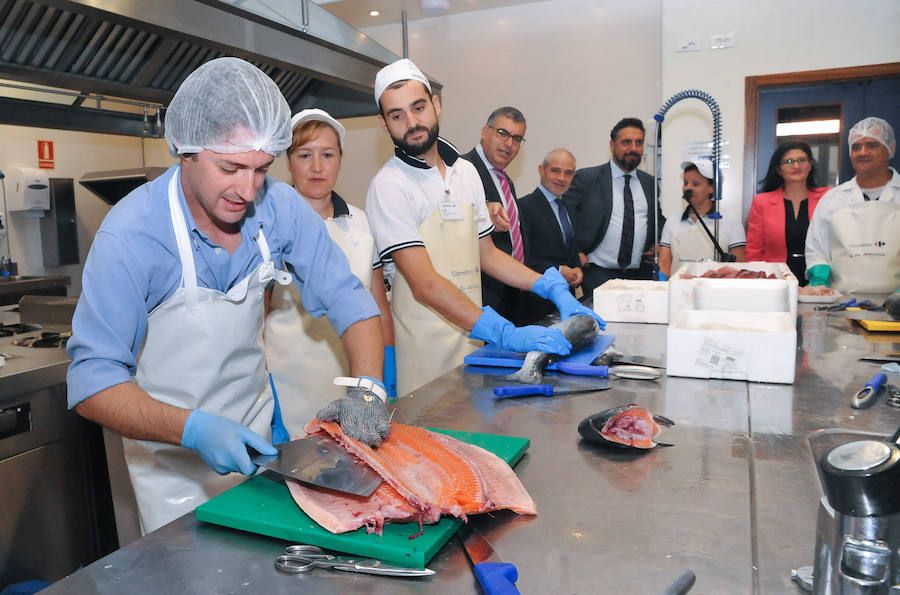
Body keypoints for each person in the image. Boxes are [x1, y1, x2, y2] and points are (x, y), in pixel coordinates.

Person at [65, 58, 388, 533]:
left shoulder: (278, 207)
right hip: (168, 466)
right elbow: (92, 384)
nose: (247, 189)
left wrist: (369, 387)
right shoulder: (132, 236)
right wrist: (195, 429)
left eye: (261, 168)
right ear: (184, 149)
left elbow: (349, 299)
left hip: (260, 453)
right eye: (230, 167)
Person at [365, 59, 605, 396]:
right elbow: (424, 284)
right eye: (397, 115)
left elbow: (487, 255)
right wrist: (504, 331)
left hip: (474, 343)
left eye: (418, 107)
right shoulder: (389, 185)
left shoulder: (466, 173)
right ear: (383, 123)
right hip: (424, 353)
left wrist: (548, 286)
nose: (412, 122)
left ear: (436, 104)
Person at [264, 109, 396, 435]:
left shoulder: (361, 222)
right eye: (305, 155)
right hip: (288, 380)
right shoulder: (269, 225)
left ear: (340, 159)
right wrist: (262, 388)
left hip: (355, 372)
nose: (317, 167)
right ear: (289, 161)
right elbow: (257, 317)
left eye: (327, 155)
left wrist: (387, 371)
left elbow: (378, 304)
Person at [564, 117, 665, 292]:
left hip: (640, 275)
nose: (633, 148)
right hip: (597, 274)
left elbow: (657, 220)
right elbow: (565, 217)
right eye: (626, 142)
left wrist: (657, 243)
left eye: (639, 143)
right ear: (612, 145)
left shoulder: (649, 183)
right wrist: (575, 252)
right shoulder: (588, 179)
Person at [805, 116, 900, 293]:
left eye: (872, 145)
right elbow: (817, 249)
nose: (862, 152)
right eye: (856, 147)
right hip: (840, 304)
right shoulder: (832, 199)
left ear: (890, 148)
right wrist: (819, 281)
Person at [462, 107, 529, 323]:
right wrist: (480, 210)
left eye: (517, 138)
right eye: (503, 133)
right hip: (481, 296)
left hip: (511, 294)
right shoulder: (461, 169)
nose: (509, 144)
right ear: (485, 132)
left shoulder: (505, 180)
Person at [746, 140, 830, 284]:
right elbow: (754, 252)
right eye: (788, 161)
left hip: (821, 281)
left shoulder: (828, 197)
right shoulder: (762, 202)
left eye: (802, 160)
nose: (796, 165)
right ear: (779, 169)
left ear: (810, 165)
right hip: (777, 281)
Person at [516, 148, 582, 323]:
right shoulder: (523, 207)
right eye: (555, 170)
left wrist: (577, 269)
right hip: (535, 304)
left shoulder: (570, 207)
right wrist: (559, 271)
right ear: (541, 170)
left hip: (565, 303)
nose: (561, 178)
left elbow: (570, 249)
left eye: (568, 173)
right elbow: (522, 258)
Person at [658, 159, 746, 277]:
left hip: (714, 292)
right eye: (685, 182)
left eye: (696, 184)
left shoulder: (730, 221)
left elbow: (739, 266)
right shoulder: (672, 221)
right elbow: (664, 263)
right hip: (679, 290)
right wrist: (662, 282)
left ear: (712, 188)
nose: (688, 188)